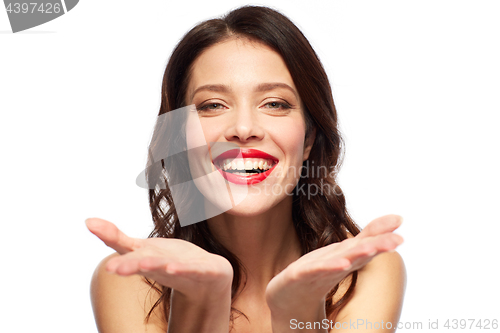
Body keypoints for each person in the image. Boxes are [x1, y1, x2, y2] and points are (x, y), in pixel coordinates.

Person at [86, 5, 406, 333]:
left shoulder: (365, 273)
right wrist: (200, 302)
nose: (243, 128)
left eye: (275, 104)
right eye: (212, 105)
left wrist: (299, 310)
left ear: (309, 137)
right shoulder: (128, 281)